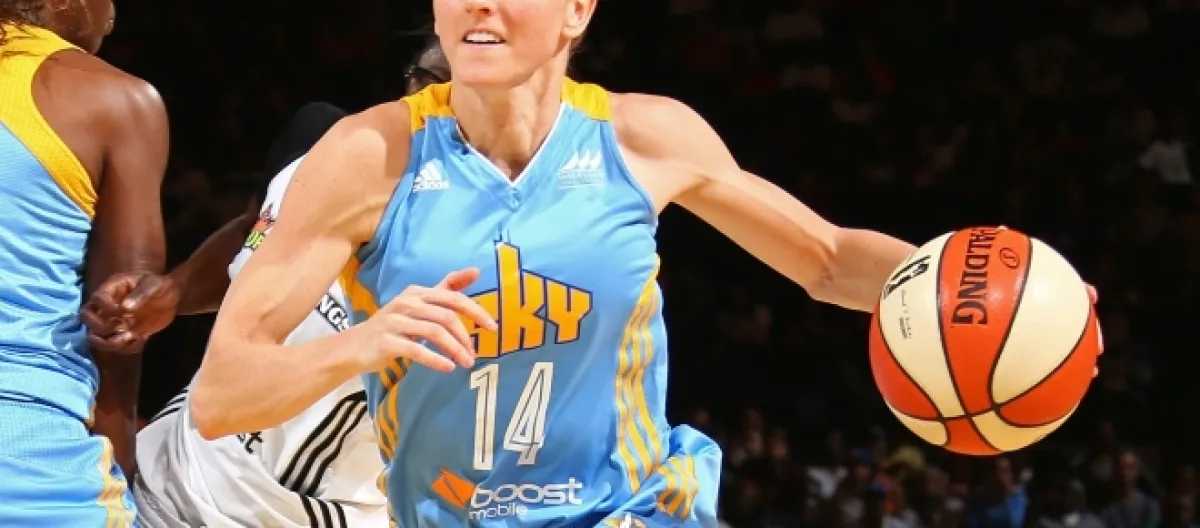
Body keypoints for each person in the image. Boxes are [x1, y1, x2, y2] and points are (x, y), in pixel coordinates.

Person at [191, 1, 1101, 526]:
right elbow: (223, 394)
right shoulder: (367, 156)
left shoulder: (642, 137)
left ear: (577, 10)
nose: (479, 4)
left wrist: (1006, 293)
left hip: (629, 507)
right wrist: (363, 343)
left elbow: (826, 260)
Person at [122, 41, 451, 528]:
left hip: (280, 514)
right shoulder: (321, 141)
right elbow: (251, 230)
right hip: (161, 474)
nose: (438, 99)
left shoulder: (490, 254)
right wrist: (177, 290)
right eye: (429, 78)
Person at [0, 2, 171, 526]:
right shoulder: (114, 100)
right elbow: (121, 326)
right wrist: (122, 469)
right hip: (29, 447)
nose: (113, 12)